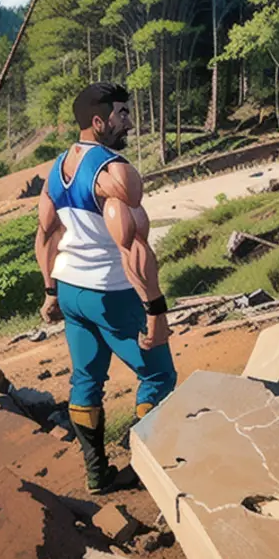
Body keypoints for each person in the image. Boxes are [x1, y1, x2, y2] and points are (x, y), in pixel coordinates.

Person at [35, 82, 177, 494]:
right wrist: (155, 311)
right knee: (159, 375)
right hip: (111, 294)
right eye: (122, 113)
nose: (129, 121)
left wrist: (49, 291)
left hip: (71, 290)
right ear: (99, 121)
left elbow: (45, 234)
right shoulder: (110, 175)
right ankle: (144, 463)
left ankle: (97, 475)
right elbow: (132, 244)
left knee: (86, 379)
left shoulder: (58, 167)